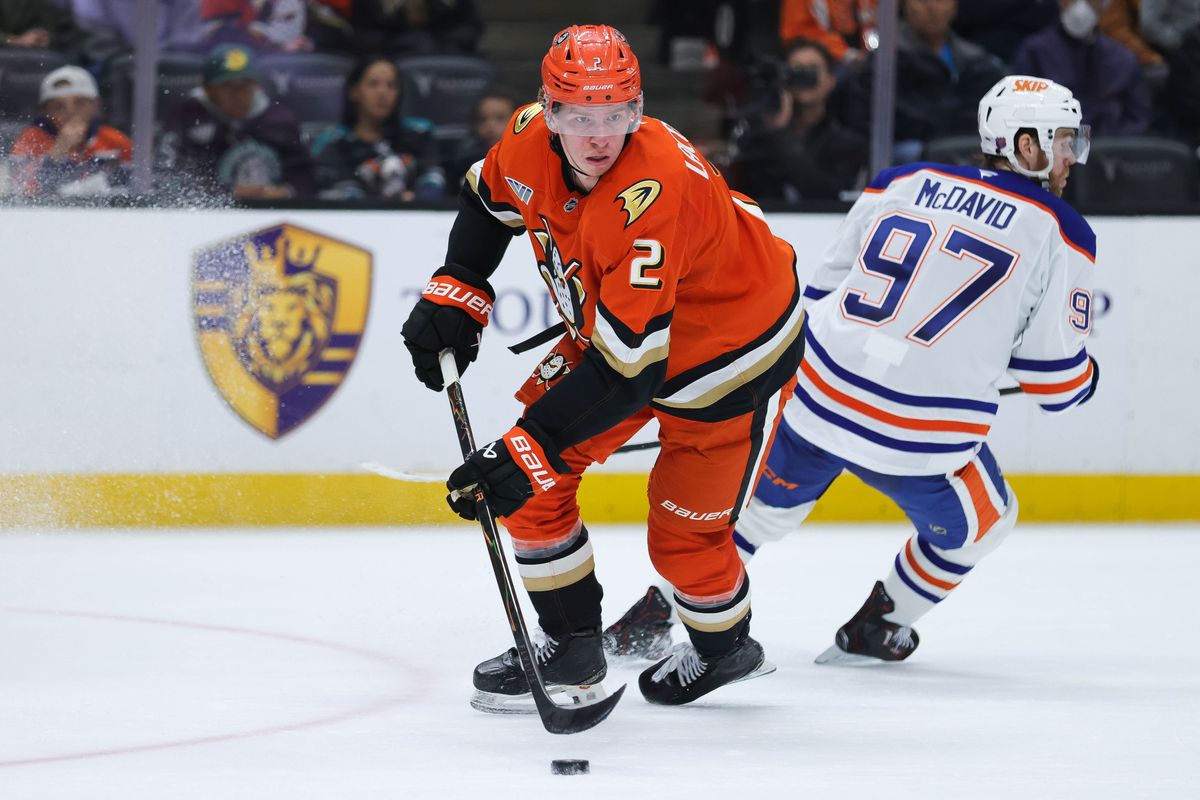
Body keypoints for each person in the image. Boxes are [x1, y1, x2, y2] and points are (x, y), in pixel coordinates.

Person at [611, 74, 1101, 666]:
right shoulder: (1062, 229)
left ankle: (653, 614)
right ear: (1026, 145)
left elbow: (818, 293)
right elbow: (1054, 383)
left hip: (818, 393)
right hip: (923, 437)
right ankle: (878, 627)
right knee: (989, 521)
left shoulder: (902, 181)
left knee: (755, 517)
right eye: (1065, 139)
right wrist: (1085, 376)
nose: (1073, 155)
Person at [400, 25, 805, 709]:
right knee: (533, 487)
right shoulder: (529, 137)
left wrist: (532, 445)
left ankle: (725, 648)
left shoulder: (654, 192)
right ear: (548, 111)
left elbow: (629, 374)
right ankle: (573, 649)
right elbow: (486, 199)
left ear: (638, 110)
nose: (598, 135)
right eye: (580, 115)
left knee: (682, 540)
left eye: (615, 114)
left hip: (728, 353)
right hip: (623, 337)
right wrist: (460, 284)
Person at [159, 42, 315, 200]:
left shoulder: (279, 120)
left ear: (257, 85)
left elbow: (305, 174)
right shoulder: (188, 115)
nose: (239, 94)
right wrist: (226, 193)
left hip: (275, 213)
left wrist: (286, 192)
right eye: (229, 86)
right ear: (208, 89)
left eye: (246, 84)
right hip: (209, 214)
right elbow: (171, 174)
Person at [730, 37, 867, 202]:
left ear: (831, 81)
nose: (803, 77)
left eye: (812, 70)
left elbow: (825, 196)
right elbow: (750, 192)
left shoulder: (849, 144)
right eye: (796, 70)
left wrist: (782, 135)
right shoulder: (761, 132)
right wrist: (772, 130)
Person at [311, 56, 446, 201]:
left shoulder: (419, 133)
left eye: (391, 85)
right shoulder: (334, 142)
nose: (383, 93)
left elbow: (433, 177)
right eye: (373, 84)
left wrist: (419, 200)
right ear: (354, 91)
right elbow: (340, 191)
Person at [1010, 0, 1150, 135]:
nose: (1080, 5)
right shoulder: (1035, 54)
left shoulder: (1123, 60)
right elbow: (1022, 116)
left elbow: (1138, 120)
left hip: (1113, 152)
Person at [9, 64, 131, 198]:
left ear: (96, 105)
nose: (70, 112)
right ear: (45, 111)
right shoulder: (31, 139)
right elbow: (23, 193)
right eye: (58, 106)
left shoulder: (115, 140)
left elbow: (136, 188)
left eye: (79, 103)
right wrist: (59, 151)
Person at [441, 87, 517, 193]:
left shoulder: (529, 161)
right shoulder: (465, 165)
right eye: (483, 119)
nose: (490, 125)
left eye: (500, 118)